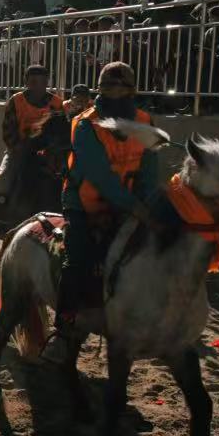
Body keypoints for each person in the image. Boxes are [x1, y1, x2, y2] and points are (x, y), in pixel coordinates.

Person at [44, 62, 159, 364]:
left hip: (129, 204)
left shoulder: (145, 121)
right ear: (100, 90)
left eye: (121, 89)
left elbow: (149, 171)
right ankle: (64, 328)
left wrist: (148, 204)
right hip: (84, 204)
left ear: (132, 91)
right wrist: (135, 207)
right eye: (108, 88)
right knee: (77, 261)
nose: (114, 94)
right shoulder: (85, 124)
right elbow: (100, 176)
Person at [0, 65, 64, 232]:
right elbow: (8, 133)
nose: (38, 87)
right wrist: (21, 149)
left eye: (42, 82)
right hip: (20, 151)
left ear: (47, 83)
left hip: (49, 154)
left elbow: (61, 132)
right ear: (26, 82)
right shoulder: (16, 101)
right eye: (33, 82)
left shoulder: (57, 103)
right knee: (3, 182)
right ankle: (2, 220)